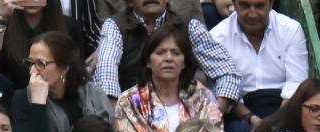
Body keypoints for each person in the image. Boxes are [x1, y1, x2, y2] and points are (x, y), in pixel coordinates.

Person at [115, 20, 223, 132]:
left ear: (184, 62)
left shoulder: (202, 97)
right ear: (148, 61)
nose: (169, 59)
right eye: (160, 52)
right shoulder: (129, 101)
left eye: (176, 53)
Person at [95, 0, 240, 112]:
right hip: (131, 114)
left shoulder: (189, 25)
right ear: (130, 2)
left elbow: (227, 72)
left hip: (186, 117)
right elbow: (106, 76)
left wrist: (213, 114)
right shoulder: (115, 26)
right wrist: (119, 119)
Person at [211, 0, 307, 132]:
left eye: (260, 6)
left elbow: (296, 82)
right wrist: (251, 119)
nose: (253, 13)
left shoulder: (290, 29)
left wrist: (277, 121)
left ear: (271, 4)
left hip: (283, 107)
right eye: (245, 6)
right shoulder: (218, 36)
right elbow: (221, 89)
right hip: (240, 111)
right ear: (234, 3)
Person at [11, 31, 114, 132]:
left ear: (64, 67)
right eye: (31, 63)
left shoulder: (94, 95)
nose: (33, 71)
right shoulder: (22, 97)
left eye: (41, 63)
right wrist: (38, 102)